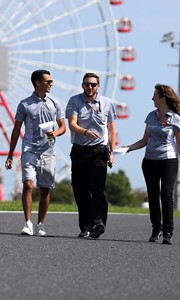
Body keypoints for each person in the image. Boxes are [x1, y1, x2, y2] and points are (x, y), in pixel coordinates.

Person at [123, 83, 180, 245]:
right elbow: (145, 140)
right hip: (149, 161)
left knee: (166, 194)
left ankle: (168, 231)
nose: (151, 98)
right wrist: (129, 148)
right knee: (153, 196)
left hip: (168, 161)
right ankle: (156, 228)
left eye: (154, 95)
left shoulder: (175, 118)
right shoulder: (151, 116)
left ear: (162, 98)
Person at [5, 70, 66, 236]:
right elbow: (16, 130)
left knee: (45, 189)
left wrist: (56, 133)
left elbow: (63, 127)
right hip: (29, 149)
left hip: (48, 150)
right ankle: (28, 223)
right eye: (48, 81)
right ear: (38, 82)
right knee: (28, 185)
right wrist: (10, 154)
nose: (51, 84)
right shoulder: (24, 104)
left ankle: (40, 223)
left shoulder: (56, 102)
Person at [66, 72, 117, 239]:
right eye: (87, 84)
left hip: (99, 151)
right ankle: (85, 226)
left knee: (97, 188)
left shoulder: (107, 103)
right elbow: (72, 125)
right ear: (82, 85)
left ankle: (98, 222)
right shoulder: (74, 101)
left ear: (98, 86)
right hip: (80, 150)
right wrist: (85, 132)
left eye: (93, 85)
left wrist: (112, 152)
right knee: (80, 189)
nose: (90, 87)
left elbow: (111, 129)